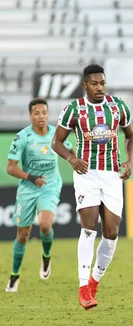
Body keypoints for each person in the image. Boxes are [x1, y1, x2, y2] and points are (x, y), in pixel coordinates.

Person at [52, 64, 133, 310]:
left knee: (111, 233)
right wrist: (71, 158)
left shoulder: (118, 106)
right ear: (85, 85)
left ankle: (94, 283)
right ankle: (82, 289)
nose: (100, 88)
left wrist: (129, 160)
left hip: (111, 175)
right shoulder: (74, 110)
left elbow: (130, 135)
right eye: (95, 84)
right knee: (88, 228)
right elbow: (56, 141)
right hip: (86, 174)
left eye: (103, 83)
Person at [5, 98, 75, 292]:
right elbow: (10, 168)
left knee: (45, 225)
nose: (41, 116)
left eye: (44, 112)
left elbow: (69, 150)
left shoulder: (56, 133)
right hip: (29, 187)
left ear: (48, 114)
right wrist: (31, 177)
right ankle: (14, 275)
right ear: (30, 116)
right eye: (37, 113)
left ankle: (46, 256)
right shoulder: (23, 137)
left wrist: (76, 163)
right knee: (23, 235)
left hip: (50, 185)